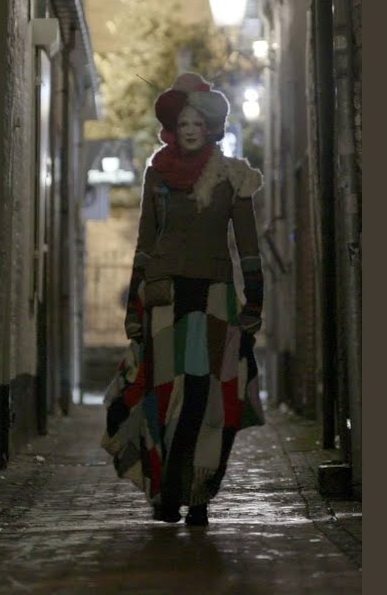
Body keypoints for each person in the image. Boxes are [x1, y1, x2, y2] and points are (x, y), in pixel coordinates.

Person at [101, 72, 266, 526]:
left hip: (214, 298)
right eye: (183, 123)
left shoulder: (234, 177)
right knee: (161, 394)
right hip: (164, 297)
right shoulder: (157, 177)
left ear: (211, 127)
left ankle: (197, 495)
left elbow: (248, 248)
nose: (191, 129)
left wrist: (254, 304)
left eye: (198, 122)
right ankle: (165, 493)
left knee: (208, 397)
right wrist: (134, 307)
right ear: (172, 128)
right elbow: (144, 243)